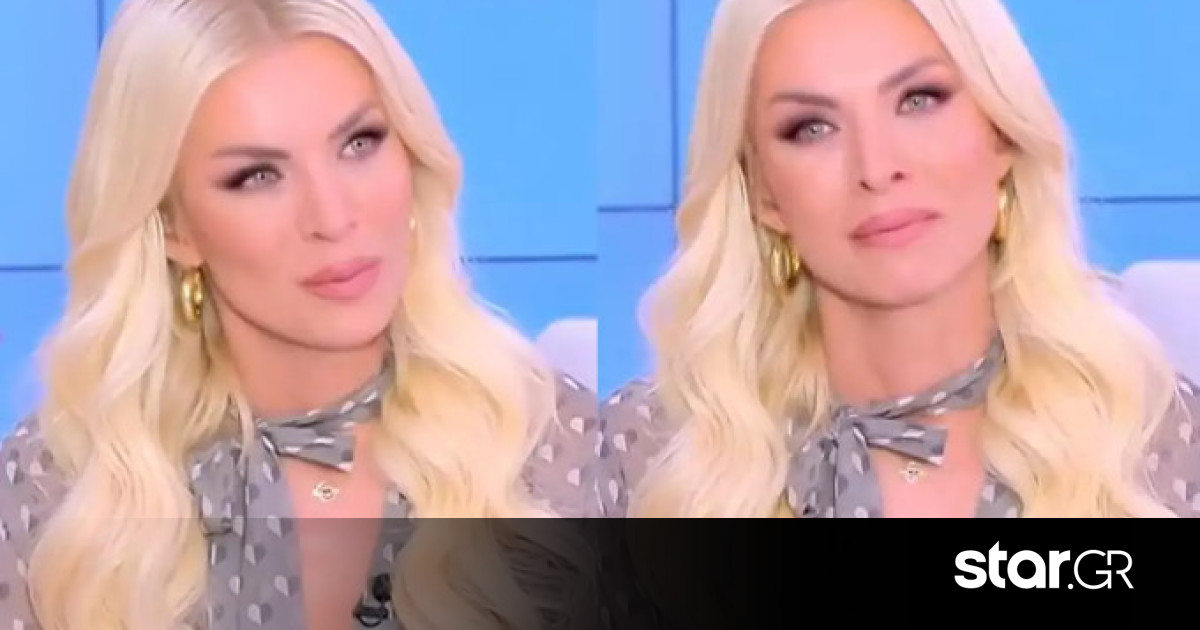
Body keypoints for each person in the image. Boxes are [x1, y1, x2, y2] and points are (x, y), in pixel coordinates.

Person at [0, 0, 605, 628]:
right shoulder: (56, 497)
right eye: (257, 176)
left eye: (359, 143)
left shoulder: (555, 449)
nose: (333, 217)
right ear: (174, 228)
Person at [599, 0, 1200, 518]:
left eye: (919, 99)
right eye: (811, 128)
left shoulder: (1146, 434)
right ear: (763, 194)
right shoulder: (648, 454)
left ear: (1000, 133)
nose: (877, 167)